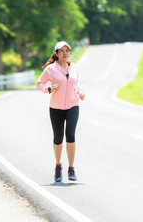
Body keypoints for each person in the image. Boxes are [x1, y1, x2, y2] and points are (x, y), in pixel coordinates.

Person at [36, 41, 85, 182]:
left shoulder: (74, 68)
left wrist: (81, 93)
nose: (65, 53)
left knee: (70, 135)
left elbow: (77, 85)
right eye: (62, 51)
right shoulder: (51, 69)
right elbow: (39, 84)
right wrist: (49, 89)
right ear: (56, 54)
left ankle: (71, 168)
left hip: (73, 105)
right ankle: (58, 166)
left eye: (67, 50)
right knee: (58, 138)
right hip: (56, 107)